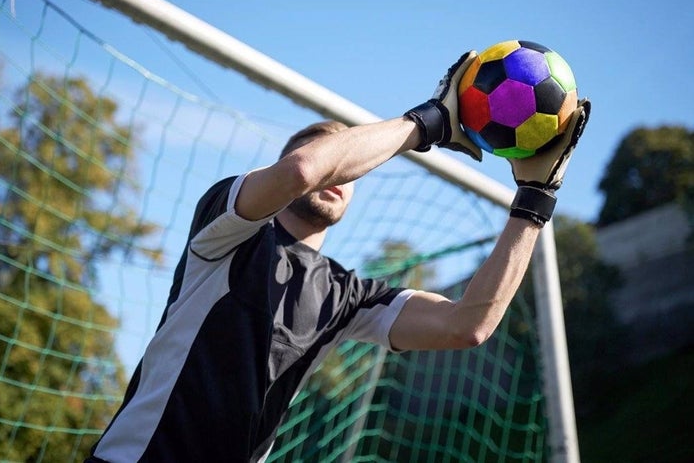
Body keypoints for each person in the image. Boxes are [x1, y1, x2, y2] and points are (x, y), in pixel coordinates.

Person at [85, 51, 590, 462]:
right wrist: (428, 122)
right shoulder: (226, 229)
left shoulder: (349, 296)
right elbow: (306, 170)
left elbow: (469, 325)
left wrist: (535, 201)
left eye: (352, 172)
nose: (341, 177)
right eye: (337, 162)